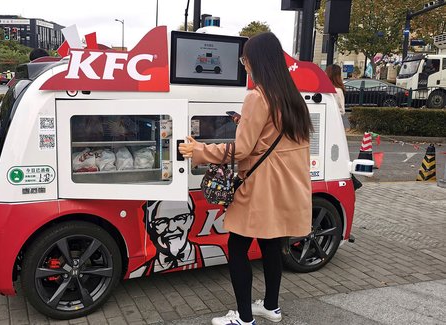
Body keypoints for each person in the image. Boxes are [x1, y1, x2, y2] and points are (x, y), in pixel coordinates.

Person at [179, 32, 312, 325]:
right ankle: (271, 307)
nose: (244, 64)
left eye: (245, 59)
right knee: (271, 247)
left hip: (259, 189)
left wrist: (199, 150)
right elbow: (279, 143)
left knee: (237, 247)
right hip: (286, 189)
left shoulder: (257, 96)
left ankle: (244, 318)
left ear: (257, 61)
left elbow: (242, 150)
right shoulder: (292, 97)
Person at [129, 198, 227, 277]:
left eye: (180, 218)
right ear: (150, 226)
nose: (171, 228)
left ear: (191, 220)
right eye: (161, 221)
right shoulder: (140, 270)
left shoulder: (217, 251)